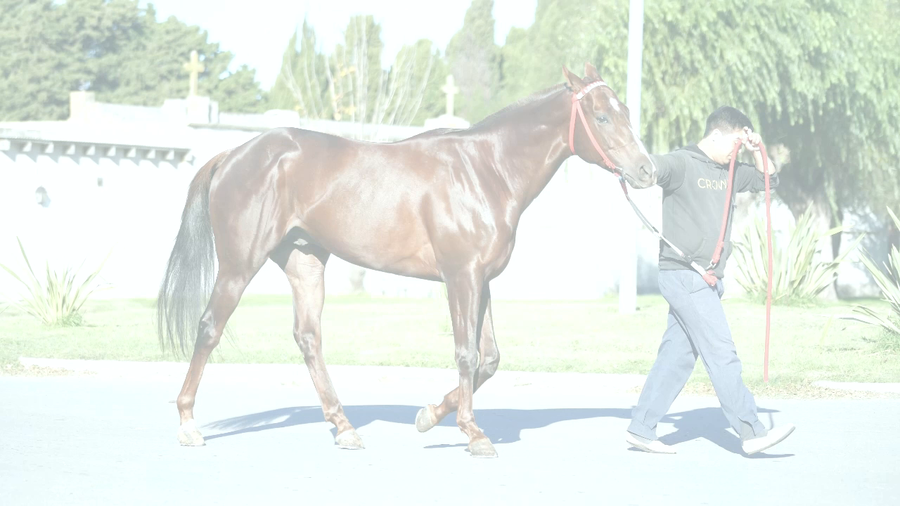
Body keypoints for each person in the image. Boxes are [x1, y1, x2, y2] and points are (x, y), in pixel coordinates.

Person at [625, 106, 795, 456]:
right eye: (733, 142)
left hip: (708, 280)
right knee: (721, 351)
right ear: (715, 135)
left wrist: (754, 149)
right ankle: (751, 431)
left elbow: (770, 181)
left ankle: (641, 428)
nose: (736, 150)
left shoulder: (730, 169)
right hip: (684, 274)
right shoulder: (681, 162)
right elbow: (647, 170)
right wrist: (627, 164)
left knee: (677, 357)